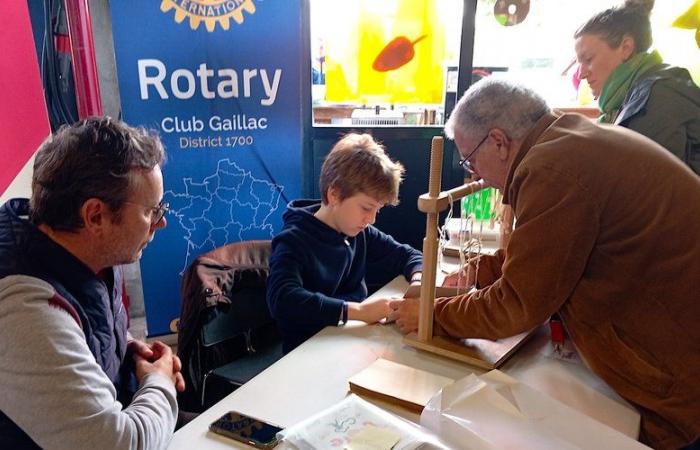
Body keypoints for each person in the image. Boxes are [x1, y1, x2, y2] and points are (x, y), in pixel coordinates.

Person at [390, 78, 700, 450]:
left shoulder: (552, 170)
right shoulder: (570, 141)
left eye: (470, 159)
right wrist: (480, 271)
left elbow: (518, 304)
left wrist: (433, 316)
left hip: (676, 372)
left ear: (499, 142)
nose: (473, 175)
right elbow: (552, 245)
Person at [0, 117, 184, 449]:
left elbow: (82, 318)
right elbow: (121, 445)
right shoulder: (25, 308)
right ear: (95, 216)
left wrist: (127, 348)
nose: (161, 222)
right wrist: (160, 382)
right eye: (153, 210)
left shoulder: (85, 250)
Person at [266, 133, 422, 353]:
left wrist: (418, 281)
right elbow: (282, 299)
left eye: (377, 210)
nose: (372, 219)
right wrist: (358, 311)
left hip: (350, 342)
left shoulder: (359, 231)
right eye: (366, 208)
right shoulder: (293, 240)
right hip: (307, 354)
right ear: (334, 194)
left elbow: (408, 255)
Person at [574, 0, 700, 175]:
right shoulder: (634, 96)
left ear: (626, 48)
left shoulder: (657, 96)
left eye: (588, 59)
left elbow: (650, 188)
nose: (581, 74)